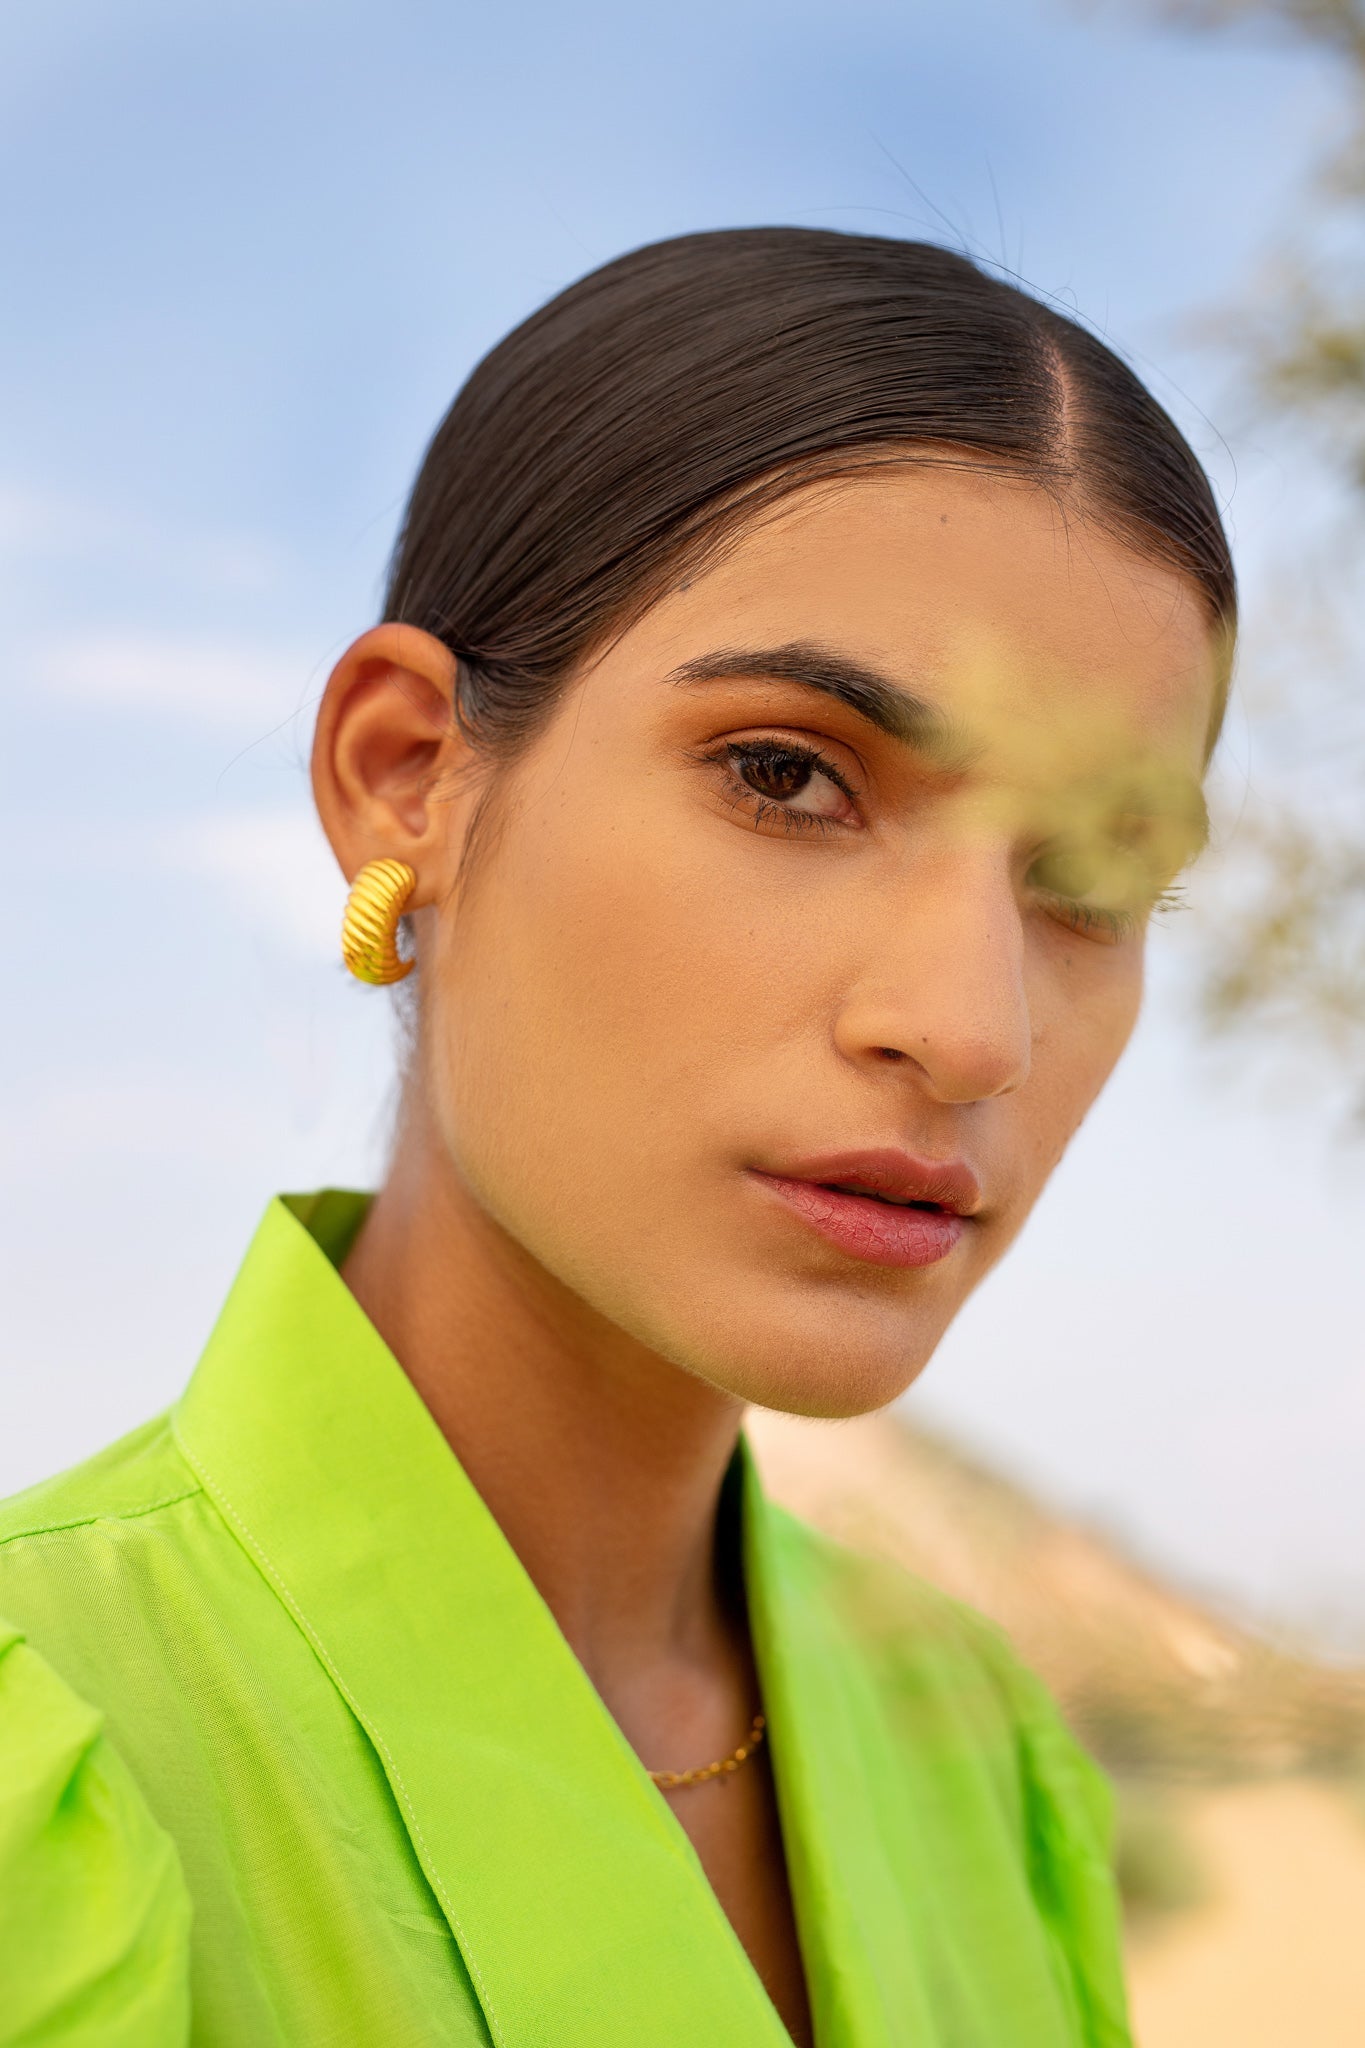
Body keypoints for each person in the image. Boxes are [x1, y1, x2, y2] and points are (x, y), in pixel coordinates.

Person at [0, 227, 1231, 2047]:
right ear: (407, 774)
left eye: (1095, 877)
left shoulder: (981, 1760)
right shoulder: (48, 1763)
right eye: (787, 776)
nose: (973, 1027)